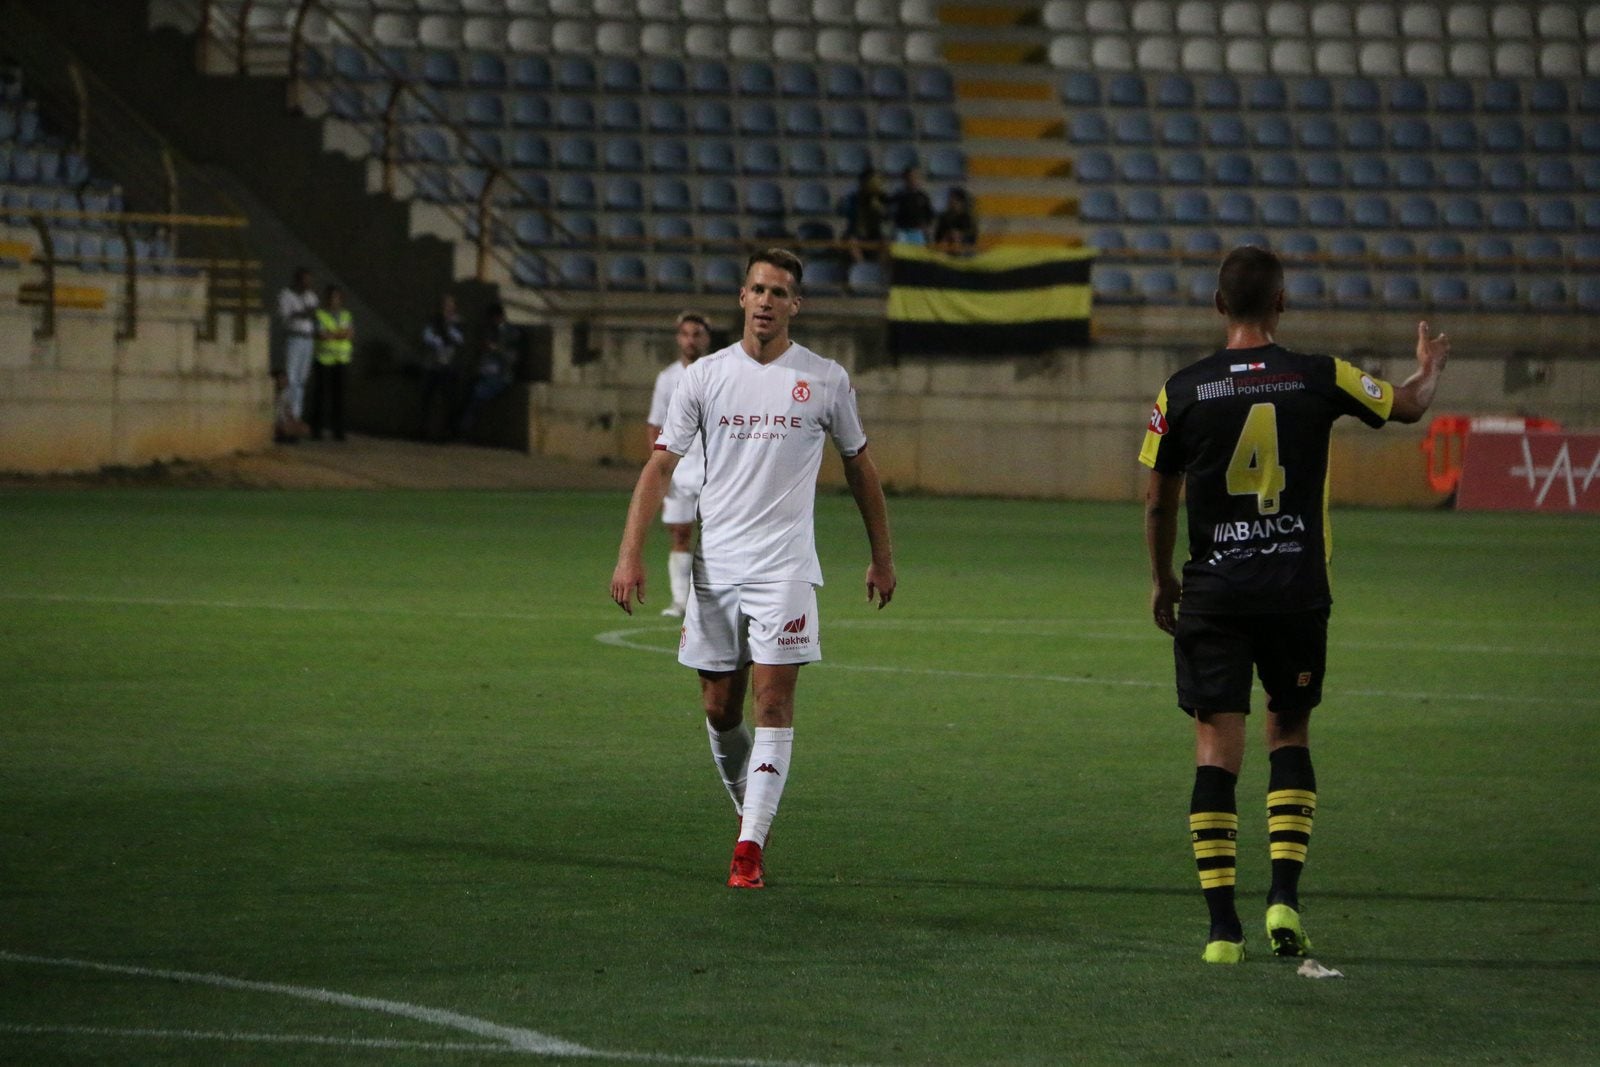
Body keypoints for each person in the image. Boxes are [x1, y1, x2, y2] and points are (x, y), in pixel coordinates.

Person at [1139, 246, 1449, 964]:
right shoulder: (1319, 374)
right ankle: (1285, 896)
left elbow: (1158, 499)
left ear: (1218, 306)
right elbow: (1406, 405)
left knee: (1217, 748)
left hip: (1214, 591)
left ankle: (1222, 930)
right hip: (1296, 589)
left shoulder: (1178, 392)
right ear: (1282, 303)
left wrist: (1163, 580)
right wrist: (1428, 367)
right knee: (1290, 733)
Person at [610, 249, 896, 890]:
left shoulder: (824, 379)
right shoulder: (705, 378)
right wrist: (631, 553)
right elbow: (659, 467)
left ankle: (749, 849)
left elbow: (860, 468)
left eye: (781, 292)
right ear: (741, 298)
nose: (767, 301)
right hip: (716, 570)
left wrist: (882, 556)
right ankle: (753, 812)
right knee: (719, 708)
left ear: (796, 305)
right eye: (758, 289)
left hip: (786, 570)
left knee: (774, 702)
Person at [645, 311, 713, 618]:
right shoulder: (667, 378)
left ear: (706, 338)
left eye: (697, 334)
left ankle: (712, 601)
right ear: (678, 338)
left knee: (716, 536)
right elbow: (655, 425)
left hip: (713, 469)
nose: (691, 340)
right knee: (680, 534)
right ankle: (680, 601)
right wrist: (659, 472)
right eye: (686, 334)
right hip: (679, 469)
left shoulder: (719, 372)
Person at [455, 303, 519, 438]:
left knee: (477, 395)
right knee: (466, 389)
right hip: (486, 372)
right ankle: (460, 426)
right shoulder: (490, 331)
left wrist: (496, 349)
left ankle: (463, 429)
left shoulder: (512, 333)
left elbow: (512, 357)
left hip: (501, 375)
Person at [274, 267, 317, 441]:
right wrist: (303, 313)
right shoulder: (286, 295)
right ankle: (286, 419)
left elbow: (313, 313)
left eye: (309, 281)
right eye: (304, 280)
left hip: (308, 338)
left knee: (301, 380)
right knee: (290, 379)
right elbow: (286, 315)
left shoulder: (311, 296)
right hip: (294, 338)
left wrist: (304, 313)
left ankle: (296, 418)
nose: (307, 284)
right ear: (297, 280)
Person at [308, 284, 353, 441]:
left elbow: (349, 334)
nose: (333, 300)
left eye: (336, 297)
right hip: (323, 359)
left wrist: (332, 334)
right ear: (326, 299)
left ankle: (338, 431)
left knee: (339, 397)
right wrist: (338, 334)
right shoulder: (320, 314)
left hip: (341, 360)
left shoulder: (346, 315)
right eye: (330, 297)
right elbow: (321, 335)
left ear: (340, 299)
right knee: (320, 396)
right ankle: (317, 430)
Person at [419, 293, 464, 441]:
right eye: (445, 305)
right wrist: (437, 340)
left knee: (448, 401)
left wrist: (449, 332)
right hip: (432, 365)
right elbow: (427, 337)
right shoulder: (433, 321)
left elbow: (459, 339)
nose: (447, 308)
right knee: (427, 399)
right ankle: (425, 431)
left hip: (448, 366)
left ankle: (446, 433)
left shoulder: (457, 322)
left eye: (450, 305)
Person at [840, 166, 885, 264]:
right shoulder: (853, 199)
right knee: (852, 241)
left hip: (873, 234)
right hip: (856, 233)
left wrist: (879, 208)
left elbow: (885, 216)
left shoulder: (880, 199)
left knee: (886, 243)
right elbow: (842, 211)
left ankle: (879, 269)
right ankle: (862, 268)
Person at [888, 165, 935, 246]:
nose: (912, 180)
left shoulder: (923, 197)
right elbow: (890, 211)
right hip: (902, 231)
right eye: (910, 177)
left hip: (917, 231)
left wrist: (926, 228)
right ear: (905, 179)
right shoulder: (898, 196)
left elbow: (929, 215)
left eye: (915, 177)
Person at [934, 186, 978, 254]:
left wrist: (960, 236)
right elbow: (937, 236)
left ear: (962, 202)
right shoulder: (944, 217)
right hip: (946, 251)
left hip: (964, 252)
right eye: (950, 200)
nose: (952, 203)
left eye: (955, 200)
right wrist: (948, 235)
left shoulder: (968, 218)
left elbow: (972, 237)